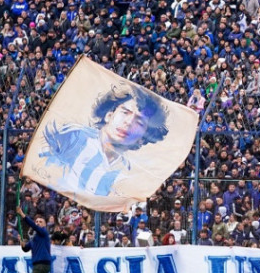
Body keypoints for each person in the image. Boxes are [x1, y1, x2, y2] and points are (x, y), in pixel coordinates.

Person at [40, 84, 169, 198]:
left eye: (139, 122)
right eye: (125, 112)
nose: (129, 123)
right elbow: (43, 163)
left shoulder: (128, 172)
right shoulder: (74, 138)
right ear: (109, 115)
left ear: (142, 138)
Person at [16, 197, 58, 273]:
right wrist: (22, 243)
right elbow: (26, 248)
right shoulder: (35, 238)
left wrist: (22, 215)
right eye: (37, 221)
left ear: (44, 224)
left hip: (42, 264)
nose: (38, 223)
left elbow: (33, 226)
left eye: (40, 222)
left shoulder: (43, 233)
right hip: (39, 264)